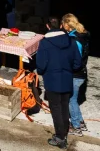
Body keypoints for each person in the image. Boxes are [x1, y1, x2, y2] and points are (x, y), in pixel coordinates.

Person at [36, 16, 82, 149]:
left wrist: (43, 72)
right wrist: (67, 69)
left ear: (47, 26)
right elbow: (77, 63)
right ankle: (63, 134)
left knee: (56, 109)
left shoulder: (44, 43)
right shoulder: (71, 41)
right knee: (64, 108)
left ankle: (60, 138)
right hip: (67, 80)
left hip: (52, 80)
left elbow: (41, 65)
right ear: (61, 26)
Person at [63, 14, 90, 136]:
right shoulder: (82, 34)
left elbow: (76, 60)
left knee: (71, 100)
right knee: (73, 99)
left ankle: (76, 127)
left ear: (67, 25)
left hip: (76, 74)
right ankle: (80, 122)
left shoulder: (75, 40)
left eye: (63, 24)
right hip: (81, 73)